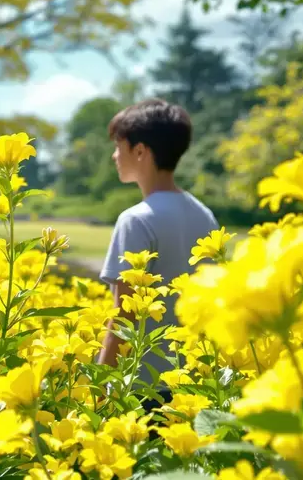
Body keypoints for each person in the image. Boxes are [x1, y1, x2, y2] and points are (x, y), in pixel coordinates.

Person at [95, 98, 218, 409]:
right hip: (195, 383)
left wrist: (98, 388)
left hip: (143, 388)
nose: (113, 155)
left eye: (118, 146)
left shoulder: (135, 219)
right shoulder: (205, 215)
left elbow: (124, 317)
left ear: (140, 151)